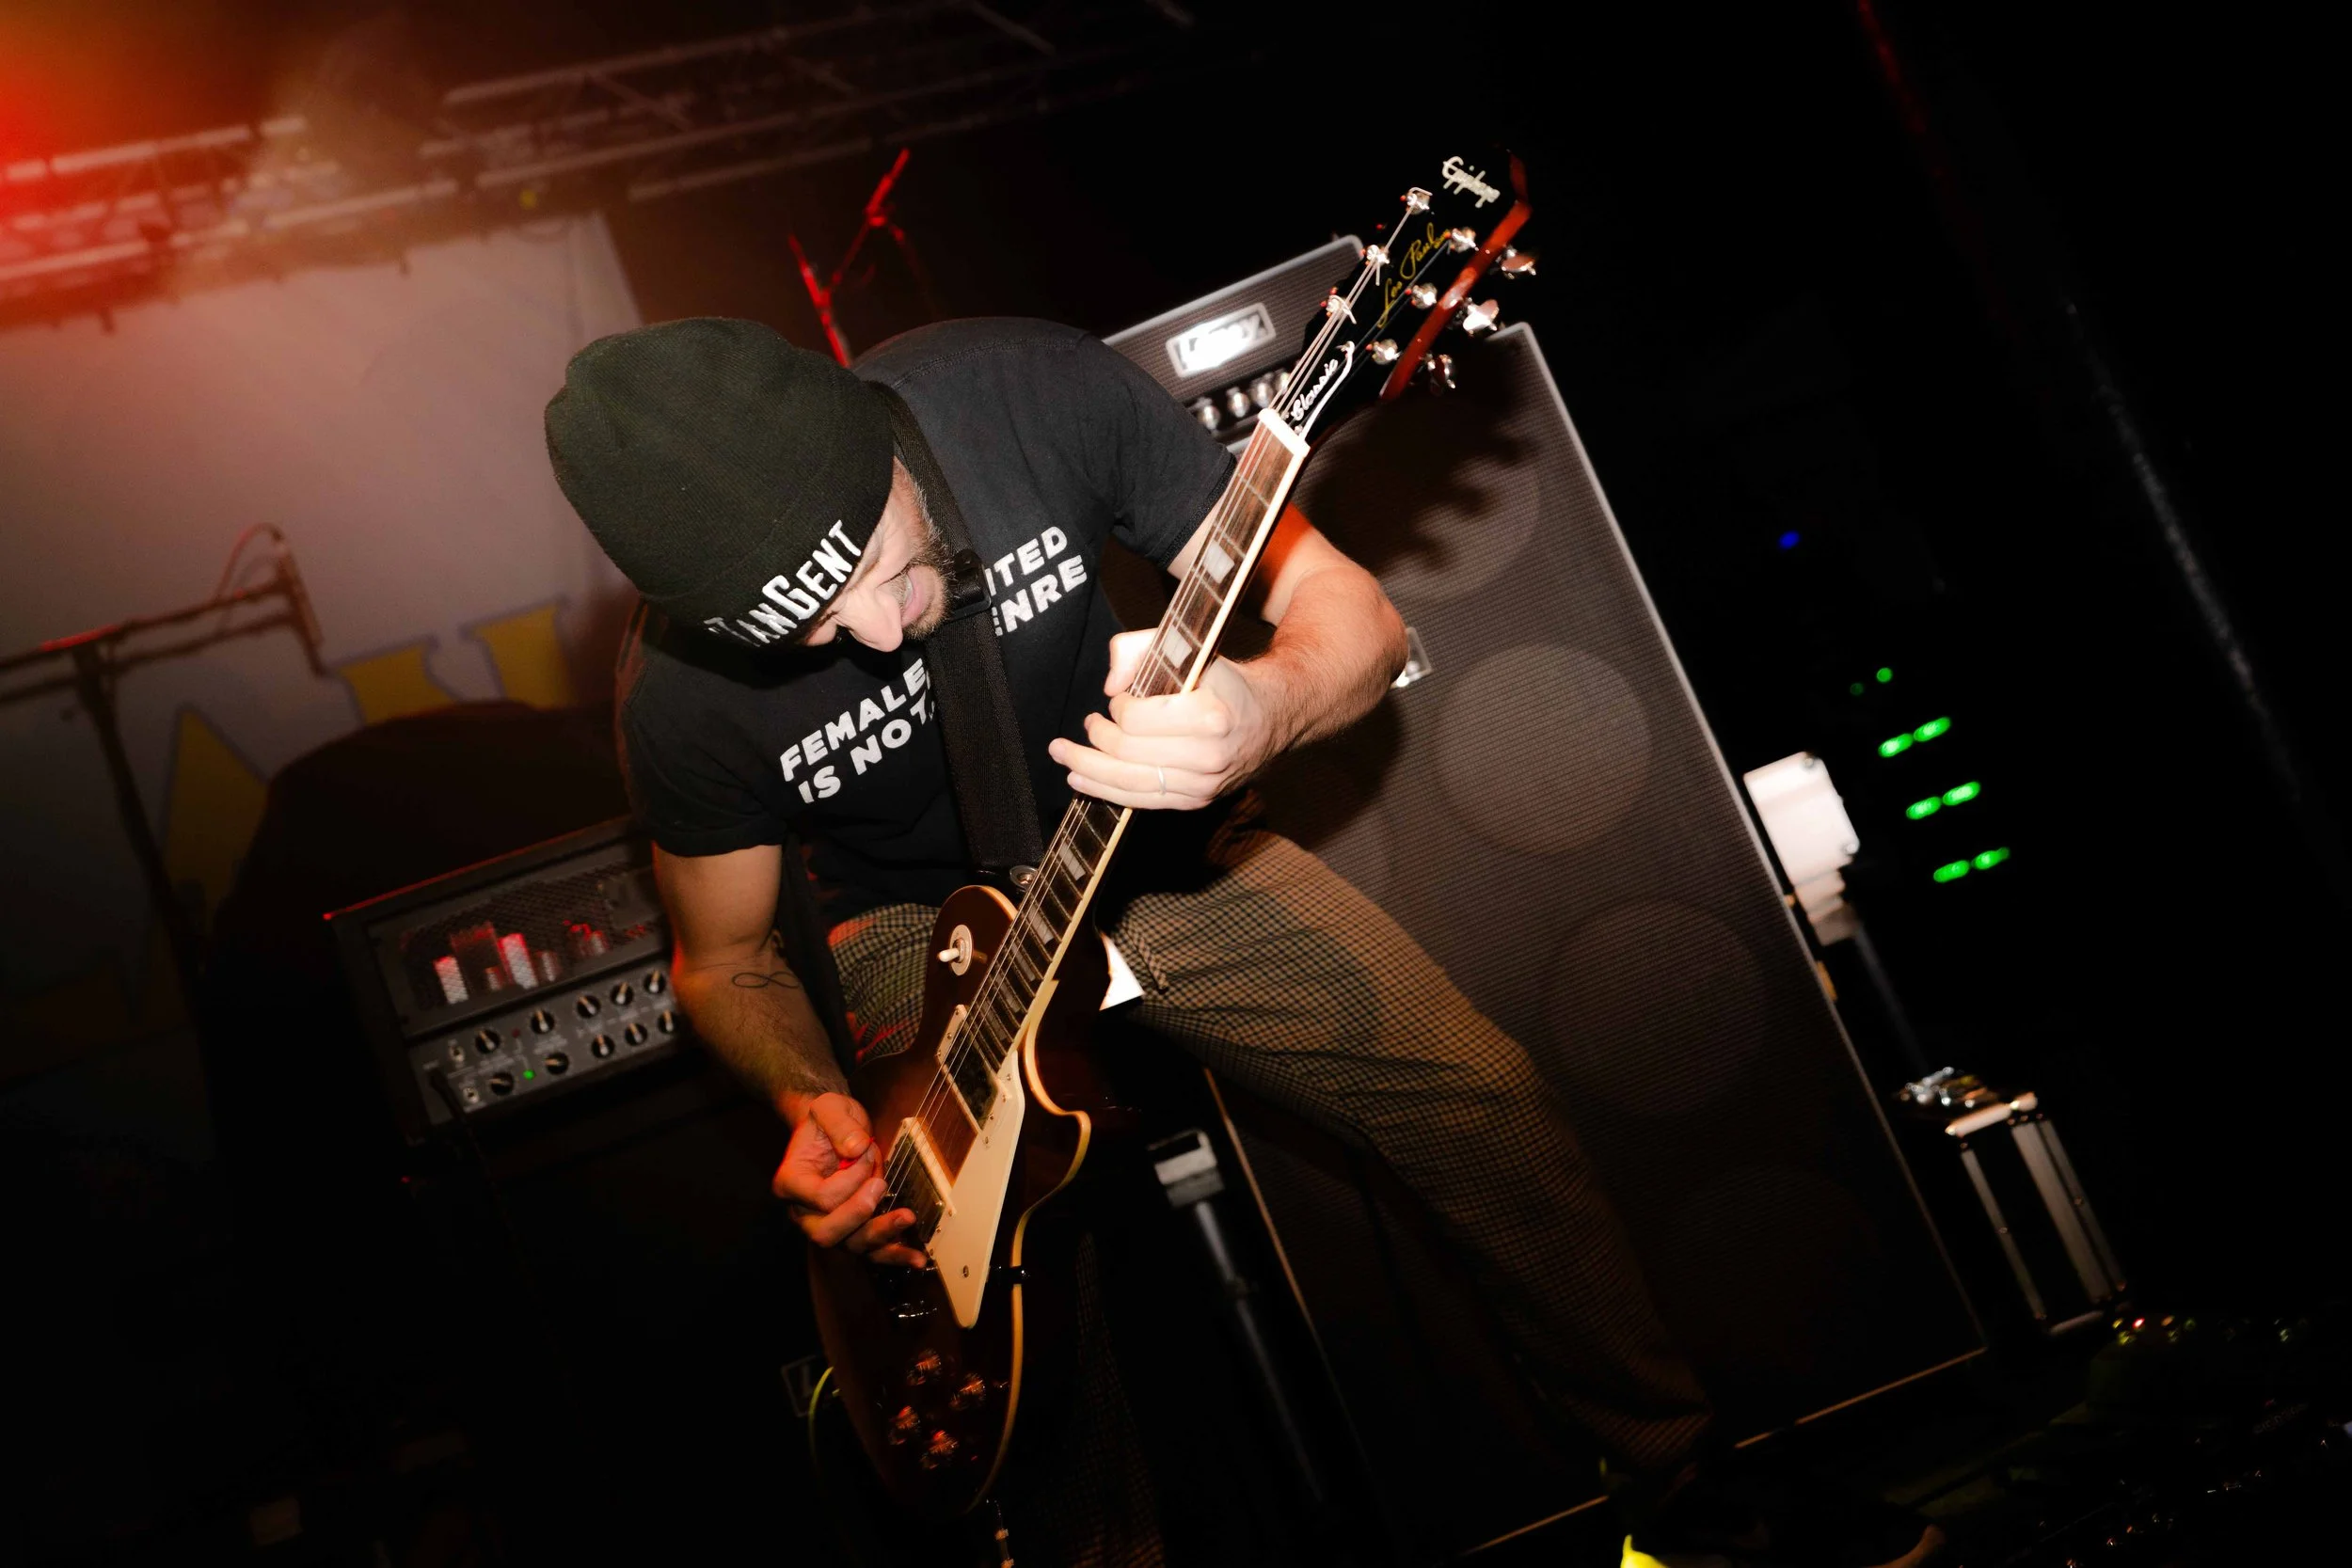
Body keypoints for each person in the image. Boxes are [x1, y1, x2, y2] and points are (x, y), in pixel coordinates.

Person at [544, 314, 1944, 1568]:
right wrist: (811, 1104)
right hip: (917, 925)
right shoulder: (683, 706)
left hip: (1132, 827)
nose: (873, 633)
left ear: (878, 440)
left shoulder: (1028, 395)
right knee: (1031, 1334)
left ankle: (1683, 1495)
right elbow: (726, 962)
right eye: (805, 634)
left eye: (880, 568)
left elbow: (1353, 610)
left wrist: (1259, 713)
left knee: (1476, 1092)